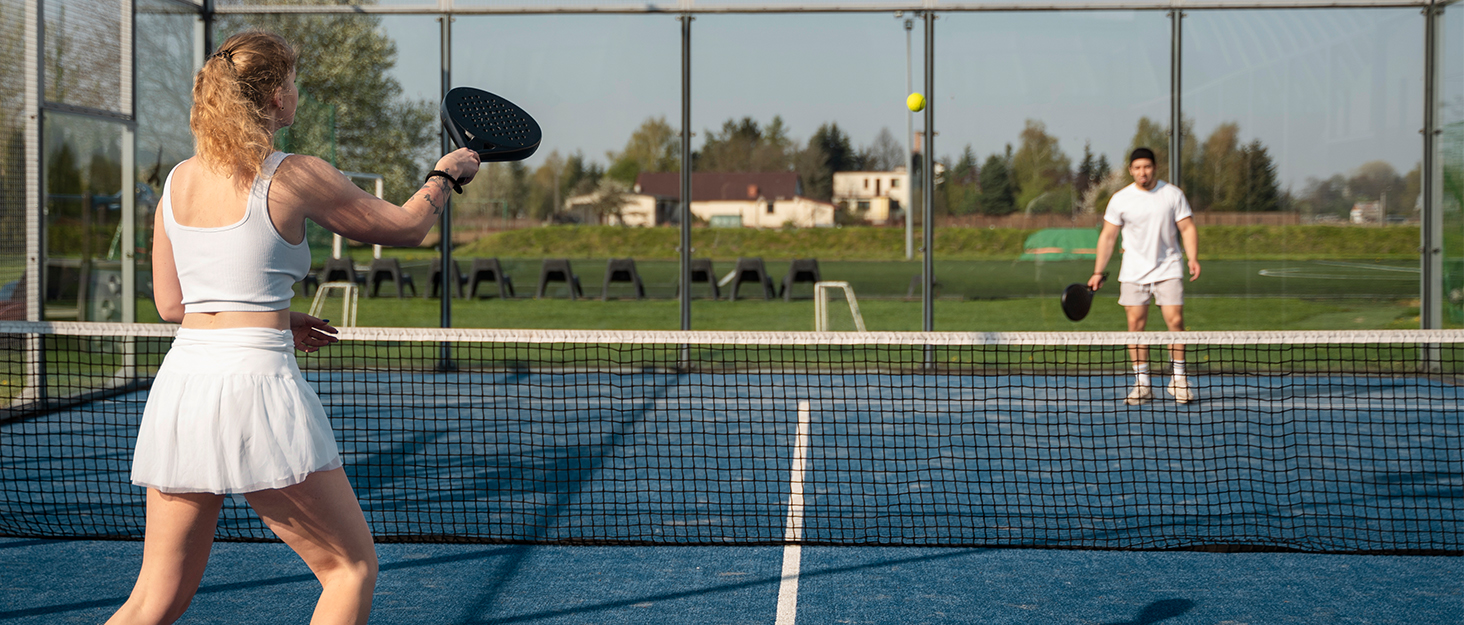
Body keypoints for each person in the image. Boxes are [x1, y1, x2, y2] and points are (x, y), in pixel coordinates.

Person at [106, 31, 480, 625]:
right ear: (276, 96)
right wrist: (446, 175)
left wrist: (282, 317)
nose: (296, 91)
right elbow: (409, 228)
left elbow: (173, 305)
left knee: (153, 599)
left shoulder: (175, 183)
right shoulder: (297, 174)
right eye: (293, 81)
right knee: (349, 570)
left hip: (182, 388)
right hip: (255, 387)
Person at [1088, 147, 1200, 406]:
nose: (1142, 172)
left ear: (1154, 168)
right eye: (1137, 168)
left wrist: (1193, 257)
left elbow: (1188, 228)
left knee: (1175, 321)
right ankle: (1142, 384)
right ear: (1131, 170)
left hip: (1168, 268)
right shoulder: (1120, 199)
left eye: (1147, 167)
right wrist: (1097, 272)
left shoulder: (1172, 195)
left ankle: (1179, 380)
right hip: (1133, 272)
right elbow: (1107, 237)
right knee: (1135, 326)